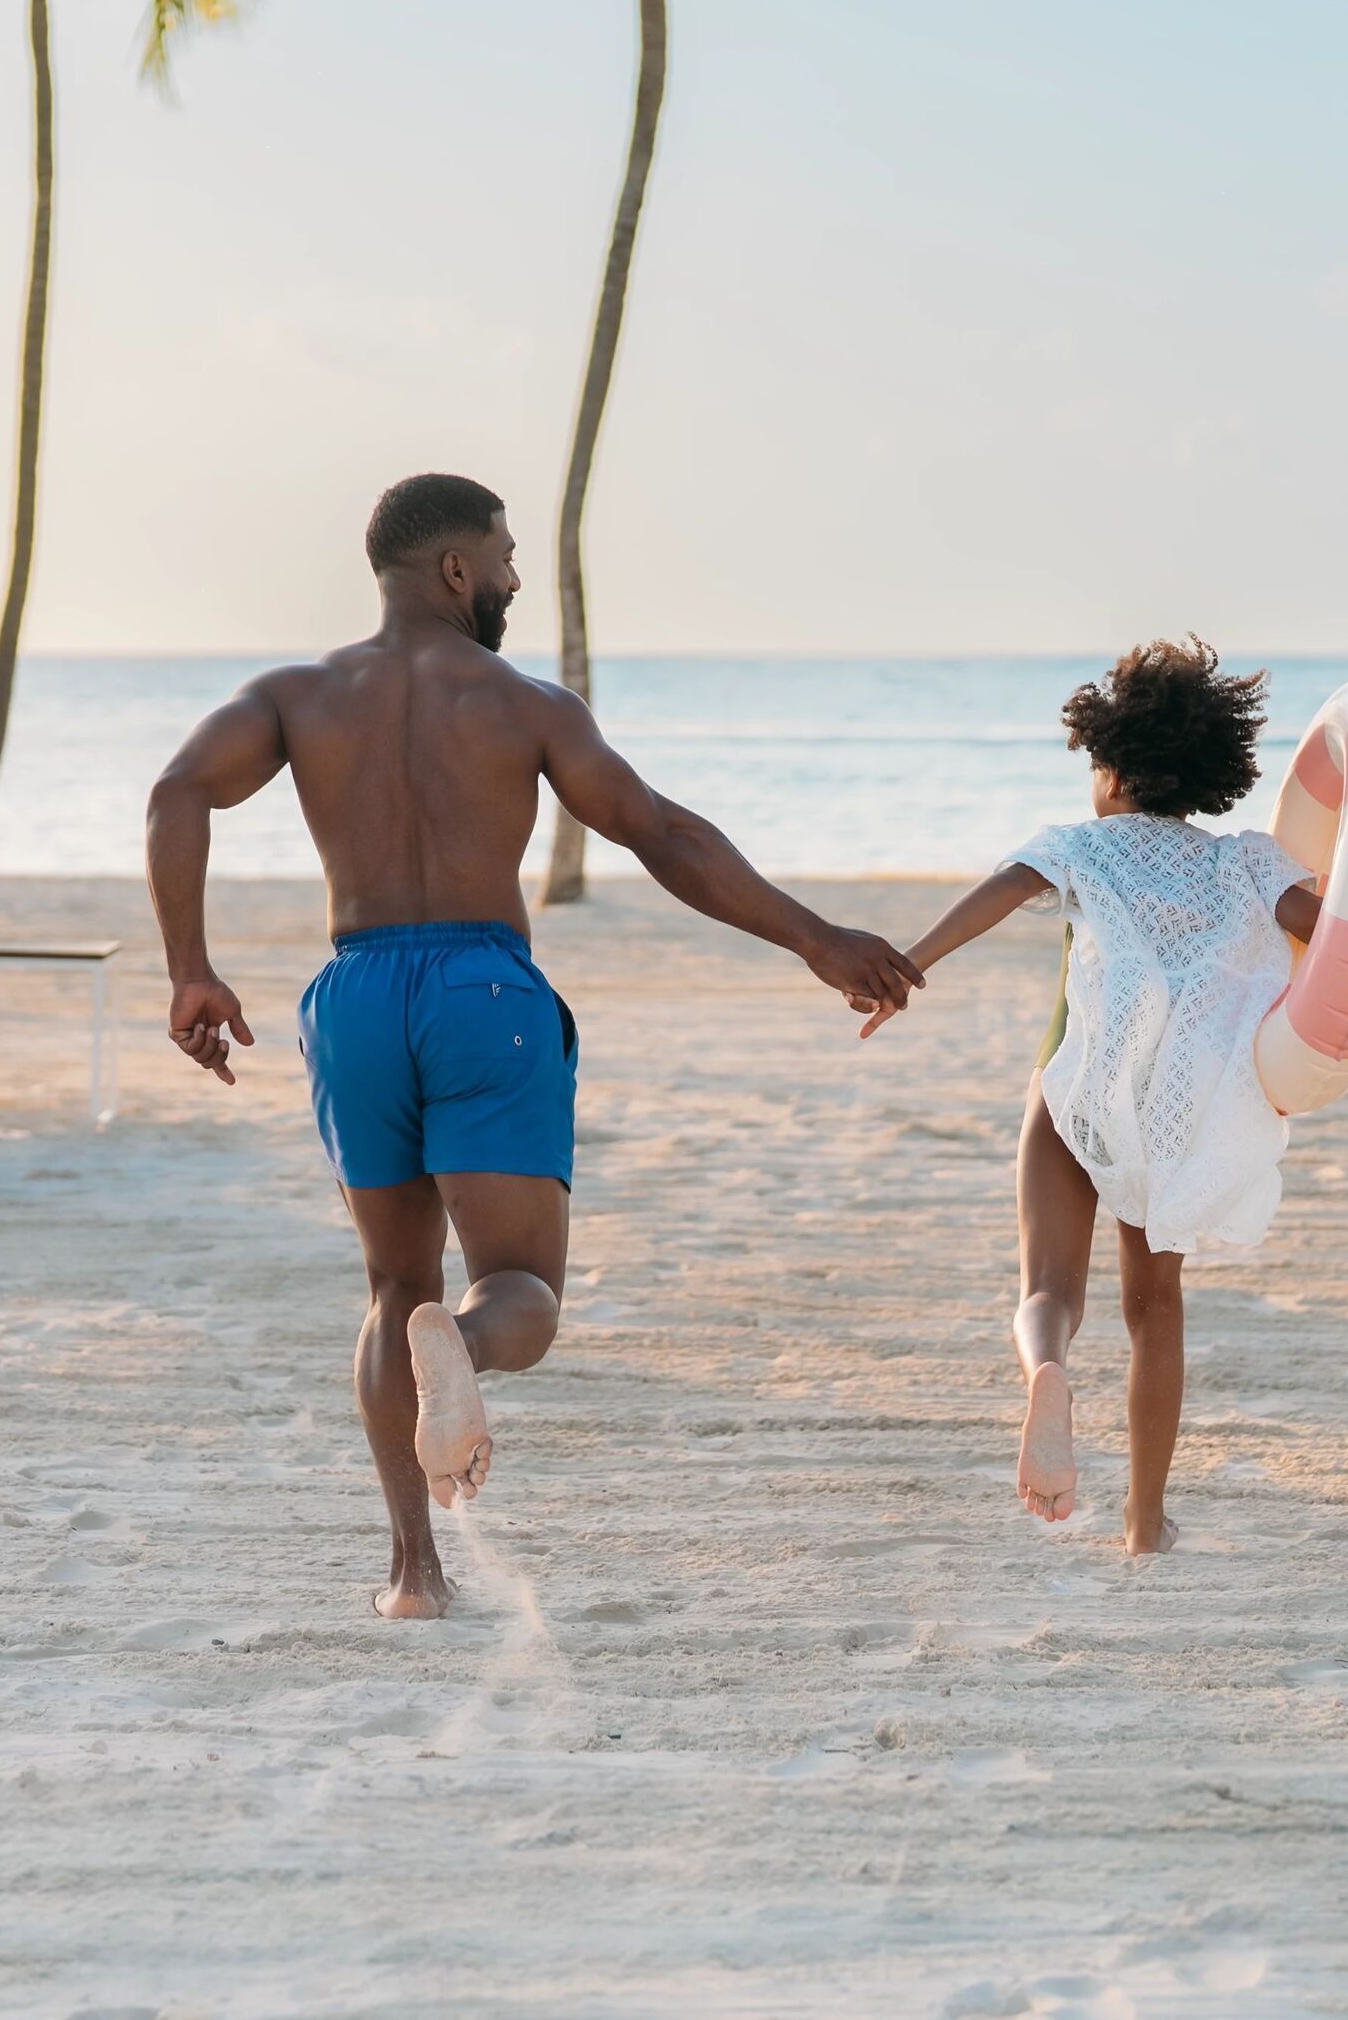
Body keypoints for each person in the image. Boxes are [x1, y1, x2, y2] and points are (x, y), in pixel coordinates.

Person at [145, 472, 928, 1620]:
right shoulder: (524, 706)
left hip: (355, 994)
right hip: (479, 988)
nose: (514, 577)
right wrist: (813, 938)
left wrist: (189, 970)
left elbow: (178, 792)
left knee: (389, 1288)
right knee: (517, 1291)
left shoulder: (294, 695)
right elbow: (659, 833)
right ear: (455, 568)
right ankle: (460, 1346)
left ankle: (414, 1573)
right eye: (504, 557)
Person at [857, 640, 1320, 1555]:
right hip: (1175, 1115)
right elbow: (1337, 938)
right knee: (1155, 1310)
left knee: (1049, 1288)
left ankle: (1050, 1371)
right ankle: (1145, 1523)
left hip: (1076, 1095)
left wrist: (907, 965)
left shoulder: (1081, 846)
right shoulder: (1248, 864)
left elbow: (994, 896)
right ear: (1206, 771)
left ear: (1109, 766)